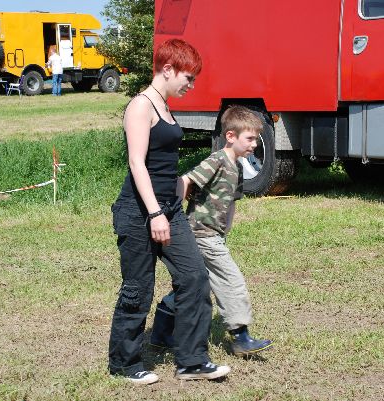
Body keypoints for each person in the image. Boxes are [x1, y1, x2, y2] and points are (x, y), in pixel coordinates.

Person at [108, 38, 230, 385]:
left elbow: (162, 163)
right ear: (167, 69)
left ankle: (191, 360)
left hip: (169, 210)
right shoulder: (140, 106)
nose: (190, 85)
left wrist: (180, 185)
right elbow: (137, 162)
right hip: (139, 212)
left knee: (194, 278)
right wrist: (154, 214)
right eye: (187, 77)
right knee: (138, 289)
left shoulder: (165, 106)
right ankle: (124, 363)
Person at [151, 105, 273, 357]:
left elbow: (232, 200)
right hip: (200, 233)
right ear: (230, 136)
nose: (254, 145)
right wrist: (171, 216)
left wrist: (227, 225)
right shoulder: (217, 160)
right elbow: (185, 181)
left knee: (195, 287)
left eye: (255, 139)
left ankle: (161, 332)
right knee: (231, 280)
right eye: (249, 138)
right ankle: (241, 338)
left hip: (214, 235)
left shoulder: (238, 167)